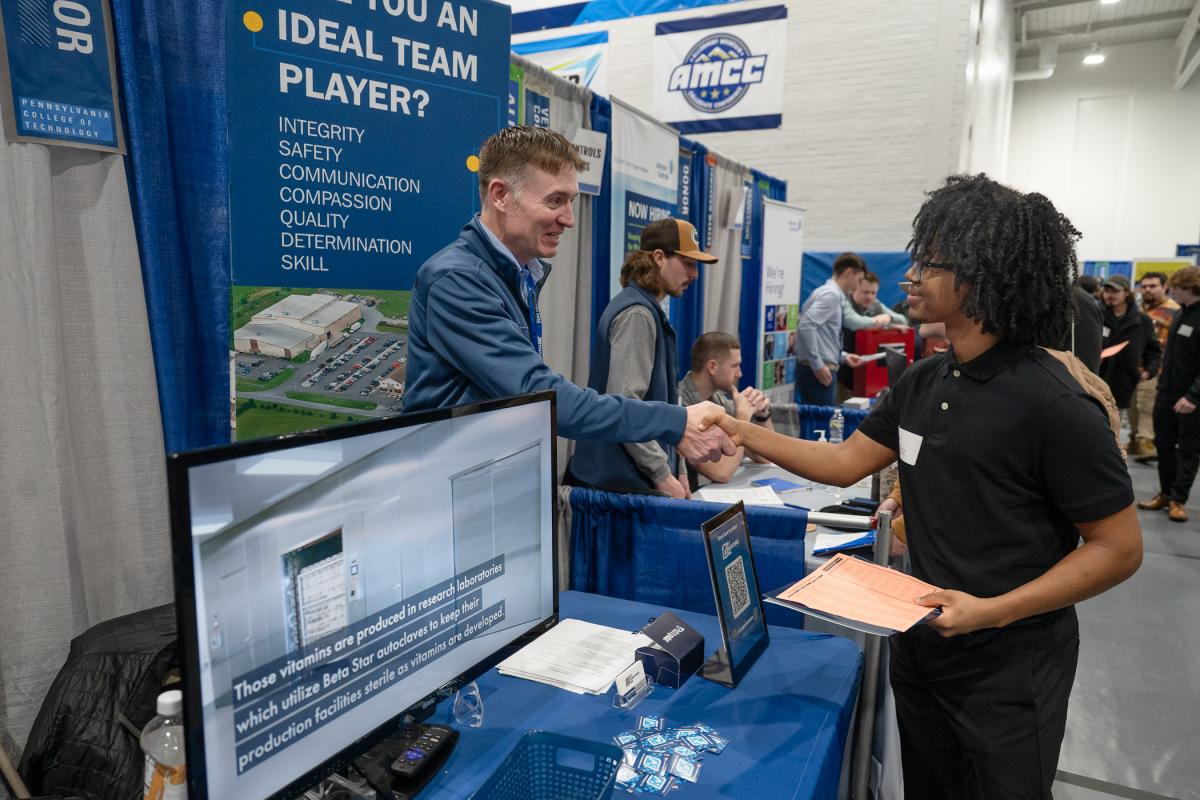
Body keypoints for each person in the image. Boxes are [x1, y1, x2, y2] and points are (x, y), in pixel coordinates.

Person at [720, 174, 1142, 800]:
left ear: (980, 277)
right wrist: (735, 428)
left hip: (1011, 661)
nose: (910, 276)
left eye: (929, 261)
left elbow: (1119, 547)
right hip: (924, 644)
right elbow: (843, 463)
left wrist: (993, 610)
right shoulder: (924, 381)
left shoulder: (1052, 403)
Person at [405, 126, 734, 464]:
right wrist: (675, 422)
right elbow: (540, 397)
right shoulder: (457, 280)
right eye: (555, 201)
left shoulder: (516, 274)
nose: (569, 219)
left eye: (571, 201)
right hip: (453, 487)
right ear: (500, 195)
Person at [567, 218, 716, 497]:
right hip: (616, 485)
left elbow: (664, 405)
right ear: (659, 257)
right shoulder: (637, 314)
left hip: (630, 480)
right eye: (688, 263)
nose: (695, 274)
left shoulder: (648, 310)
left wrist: (678, 467)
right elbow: (625, 408)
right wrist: (662, 474)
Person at [1138, 266, 1200, 523]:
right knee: (1163, 445)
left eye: (1175, 287)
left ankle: (1178, 500)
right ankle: (1165, 493)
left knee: (1188, 450)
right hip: (1166, 393)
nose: (1170, 291)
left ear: (1188, 288)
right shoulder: (1180, 314)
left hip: (1190, 399)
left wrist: (1194, 396)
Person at [677, 332, 776, 484]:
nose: (740, 374)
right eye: (734, 366)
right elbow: (721, 473)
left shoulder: (718, 401)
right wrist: (743, 415)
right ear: (712, 366)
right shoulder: (681, 405)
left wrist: (762, 414)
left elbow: (765, 456)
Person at [795, 252, 866, 405]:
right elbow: (806, 326)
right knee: (820, 426)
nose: (858, 286)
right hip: (818, 372)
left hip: (816, 369)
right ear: (849, 273)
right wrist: (818, 365)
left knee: (816, 424)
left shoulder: (824, 292)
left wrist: (843, 356)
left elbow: (824, 335)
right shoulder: (831, 296)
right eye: (859, 280)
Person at [1129, 271, 1179, 461]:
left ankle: (1147, 442)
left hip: (1156, 367)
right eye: (1145, 286)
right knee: (1133, 405)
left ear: (1165, 287)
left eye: (1153, 286)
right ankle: (1135, 441)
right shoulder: (1139, 309)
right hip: (1135, 366)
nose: (1148, 290)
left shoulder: (1174, 309)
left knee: (1147, 405)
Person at [1098, 274, 1160, 416]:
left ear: (1126, 293)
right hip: (1097, 379)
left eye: (1115, 291)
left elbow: (1154, 350)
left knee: (1117, 422)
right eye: (1107, 291)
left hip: (1126, 382)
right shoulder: (1097, 316)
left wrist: (1149, 371)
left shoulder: (1142, 320)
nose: (1110, 295)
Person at [839, 270, 908, 396]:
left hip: (866, 375)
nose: (870, 297)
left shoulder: (875, 304)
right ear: (854, 289)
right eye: (865, 292)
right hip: (843, 372)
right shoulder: (844, 302)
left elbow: (903, 320)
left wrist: (889, 320)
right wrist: (879, 320)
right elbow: (855, 323)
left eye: (873, 293)